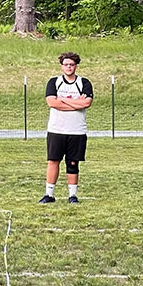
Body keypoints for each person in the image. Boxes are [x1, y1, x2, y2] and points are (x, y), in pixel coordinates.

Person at [39, 52, 93, 204]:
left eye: (72, 65)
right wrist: (75, 103)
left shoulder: (84, 82)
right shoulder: (54, 82)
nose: (69, 67)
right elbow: (52, 103)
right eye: (66, 65)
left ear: (76, 66)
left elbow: (86, 103)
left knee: (73, 163)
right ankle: (49, 194)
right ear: (62, 66)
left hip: (77, 130)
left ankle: (72, 196)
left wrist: (62, 100)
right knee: (53, 160)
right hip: (57, 129)